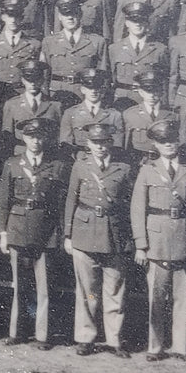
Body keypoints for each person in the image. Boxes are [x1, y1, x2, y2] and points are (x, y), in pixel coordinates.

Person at [130, 118, 186, 362]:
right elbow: (137, 210)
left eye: (172, 140)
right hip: (156, 241)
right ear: (156, 144)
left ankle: (181, 347)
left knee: (182, 298)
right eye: (163, 142)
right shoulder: (147, 170)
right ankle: (155, 346)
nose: (169, 145)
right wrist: (141, 245)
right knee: (156, 298)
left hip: (183, 238)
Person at [0, 117, 68, 349]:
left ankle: (42, 335)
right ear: (24, 138)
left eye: (39, 136)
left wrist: (60, 233)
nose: (35, 141)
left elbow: (60, 203)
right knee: (20, 285)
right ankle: (16, 332)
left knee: (43, 287)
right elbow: (3, 200)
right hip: (18, 228)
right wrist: (4, 233)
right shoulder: (12, 164)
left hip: (45, 231)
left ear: (45, 138)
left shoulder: (57, 166)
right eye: (31, 136)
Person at [62, 122, 134, 357]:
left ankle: (115, 340)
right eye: (95, 143)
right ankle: (86, 338)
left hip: (114, 235)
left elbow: (128, 205)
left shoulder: (123, 168)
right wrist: (68, 234)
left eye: (103, 142)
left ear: (110, 143)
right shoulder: (80, 167)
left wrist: (129, 238)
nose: (100, 147)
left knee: (115, 291)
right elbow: (70, 201)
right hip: (85, 232)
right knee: (88, 291)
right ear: (88, 144)